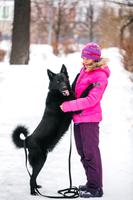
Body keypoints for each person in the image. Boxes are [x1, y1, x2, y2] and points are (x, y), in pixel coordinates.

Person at [60, 42, 110, 198]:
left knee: (91, 153)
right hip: (78, 119)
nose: (83, 60)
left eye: (86, 58)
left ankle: (96, 188)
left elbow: (91, 100)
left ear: (94, 59)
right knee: (83, 153)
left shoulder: (100, 76)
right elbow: (78, 92)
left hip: (90, 120)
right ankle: (91, 183)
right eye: (83, 57)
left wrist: (69, 106)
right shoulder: (84, 71)